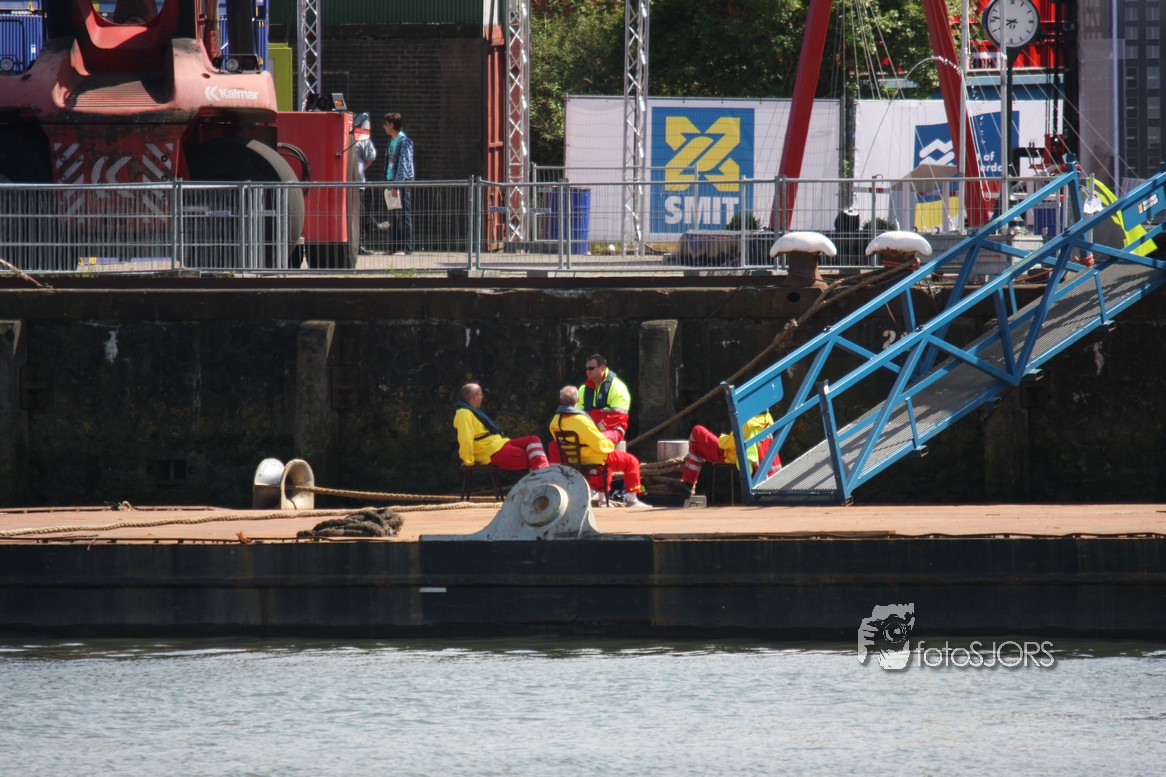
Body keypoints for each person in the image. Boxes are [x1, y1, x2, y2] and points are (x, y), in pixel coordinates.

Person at [550, 385, 650, 508]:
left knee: (605, 465)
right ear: (578, 400)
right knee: (631, 461)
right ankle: (632, 500)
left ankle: (602, 499)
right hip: (591, 456)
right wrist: (610, 445)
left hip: (573, 459)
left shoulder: (555, 421)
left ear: (561, 400)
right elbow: (597, 443)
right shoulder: (580, 420)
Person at [670, 411, 781, 496]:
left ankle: (688, 483)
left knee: (697, 432)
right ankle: (688, 483)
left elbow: (733, 443)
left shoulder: (748, 423)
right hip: (763, 469)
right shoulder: (767, 419)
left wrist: (722, 440)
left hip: (730, 454)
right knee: (698, 444)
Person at [454, 383, 548, 472]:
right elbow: (465, 439)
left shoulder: (473, 411)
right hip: (489, 451)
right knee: (532, 457)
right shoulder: (464, 413)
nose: (481, 397)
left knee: (533, 440)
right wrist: (468, 461)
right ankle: (543, 475)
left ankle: (542, 473)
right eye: (480, 394)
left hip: (498, 443)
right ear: (474, 397)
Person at [577, 353, 631, 444]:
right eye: (586, 368)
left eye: (591, 368)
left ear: (602, 368)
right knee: (557, 443)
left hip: (613, 430)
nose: (587, 371)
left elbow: (618, 416)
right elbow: (577, 415)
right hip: (590, 431)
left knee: (597, 440)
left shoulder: (618, 387)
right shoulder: (583, 389)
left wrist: (596, 429)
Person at [382, 112, 415, 256]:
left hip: (401, 181)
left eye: (386, 124)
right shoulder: (391, 141)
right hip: (391, 180)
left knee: (403, 214)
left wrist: (397, 185)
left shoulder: (404, 141)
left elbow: (403, 165)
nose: (384, 127)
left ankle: (406, 248)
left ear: (391, 125)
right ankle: (393, 247)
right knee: (393, 215)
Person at [351, 113, 377, 255]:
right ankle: (359, 244)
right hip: (355, 183)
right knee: (360, 214)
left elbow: (370, 157)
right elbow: (370, 158)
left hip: (354, 184)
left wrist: (359, 171)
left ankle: (360, 243)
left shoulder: (360, 137)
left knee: (359, 214)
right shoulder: (361, 137)